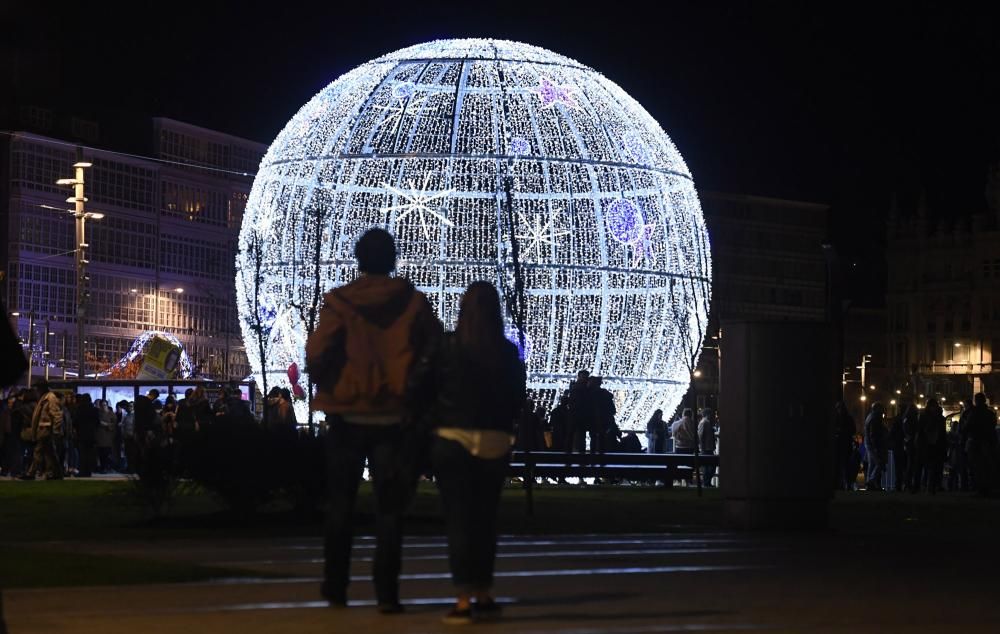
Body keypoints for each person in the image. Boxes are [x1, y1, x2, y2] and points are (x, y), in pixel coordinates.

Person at [305, 228, 442, 612]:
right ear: (393, 259)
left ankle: (336, 585)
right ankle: (387, 593)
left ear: (359, 260)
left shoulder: (340, 302)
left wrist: (337, 380)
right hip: (395, 416)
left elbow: (316, 354)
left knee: (340, 505)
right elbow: (434, 349)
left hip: (347, 416)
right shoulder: (413, 304)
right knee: (390, 508)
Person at [423, 281, 526, 624]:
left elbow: (428, 389)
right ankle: (484, 592)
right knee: (485, 520)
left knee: (460, 521)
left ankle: (464, 598)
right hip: (495, 441)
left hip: (454, 440)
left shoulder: (448, 348)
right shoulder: (509, 353)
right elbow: (517, 400)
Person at [22, 381, 64, 480]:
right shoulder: (45, 397)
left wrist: (55, 430)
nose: (35, 391)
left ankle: (31, 473)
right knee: (50, 454)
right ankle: (56, 473)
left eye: (36, 388)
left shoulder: (50, 398)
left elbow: (57, 415)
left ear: (41, 388)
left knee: (39, 452)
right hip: (44, 429)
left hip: (46, 429)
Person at [964, 392, 998, 496]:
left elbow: (967, 427)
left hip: (976, 442)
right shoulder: (990, 413)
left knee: (976, 467)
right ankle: (987, 488)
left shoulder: (973, 413)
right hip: (987, 442)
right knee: (987, 466)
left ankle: (980, 488)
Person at [917, 398, 947, 494]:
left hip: (929, 444)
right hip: (930, 443)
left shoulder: (924, 416)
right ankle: (929, 487)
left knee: (929, 467)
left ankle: (927, 486)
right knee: (931, 466)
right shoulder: (932, 417)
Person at [864, 402, 888, 491]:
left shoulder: (870, 416)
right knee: (880, 462)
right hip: (874, 444)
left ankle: (870, 484)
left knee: (872, 464)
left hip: (869, 443)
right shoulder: (876, 418)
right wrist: (875, 446)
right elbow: (873, 433)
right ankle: (871, 481)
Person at [833, 401, 856, 489]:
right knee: (845, 465)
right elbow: (853, 430)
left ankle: (841, 484)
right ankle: (846, 483)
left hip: (839, 444)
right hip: (846, 444)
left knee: (840, 465)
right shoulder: (848, 418)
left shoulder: (836, 418)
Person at [95, 399, 117, 472]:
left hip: (108, 437)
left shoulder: (111, 414)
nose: (103, 407)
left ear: (107, 405)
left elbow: (114, 424)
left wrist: (107, 424)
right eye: (102, 405)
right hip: (100, 436)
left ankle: (107, 467)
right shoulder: (98, 414)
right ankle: (102, 467)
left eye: (105, 405)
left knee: (107, 453)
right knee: (101, 453)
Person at [698, 408, 718, 486]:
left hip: (707, 447)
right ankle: (707, 482)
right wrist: (702, 446)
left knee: (708, 466)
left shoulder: (705, 422)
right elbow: (700, 435)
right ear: (708, 414)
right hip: (706, 448)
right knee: (710, 466)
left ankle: (707, 482)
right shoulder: (704, 422)